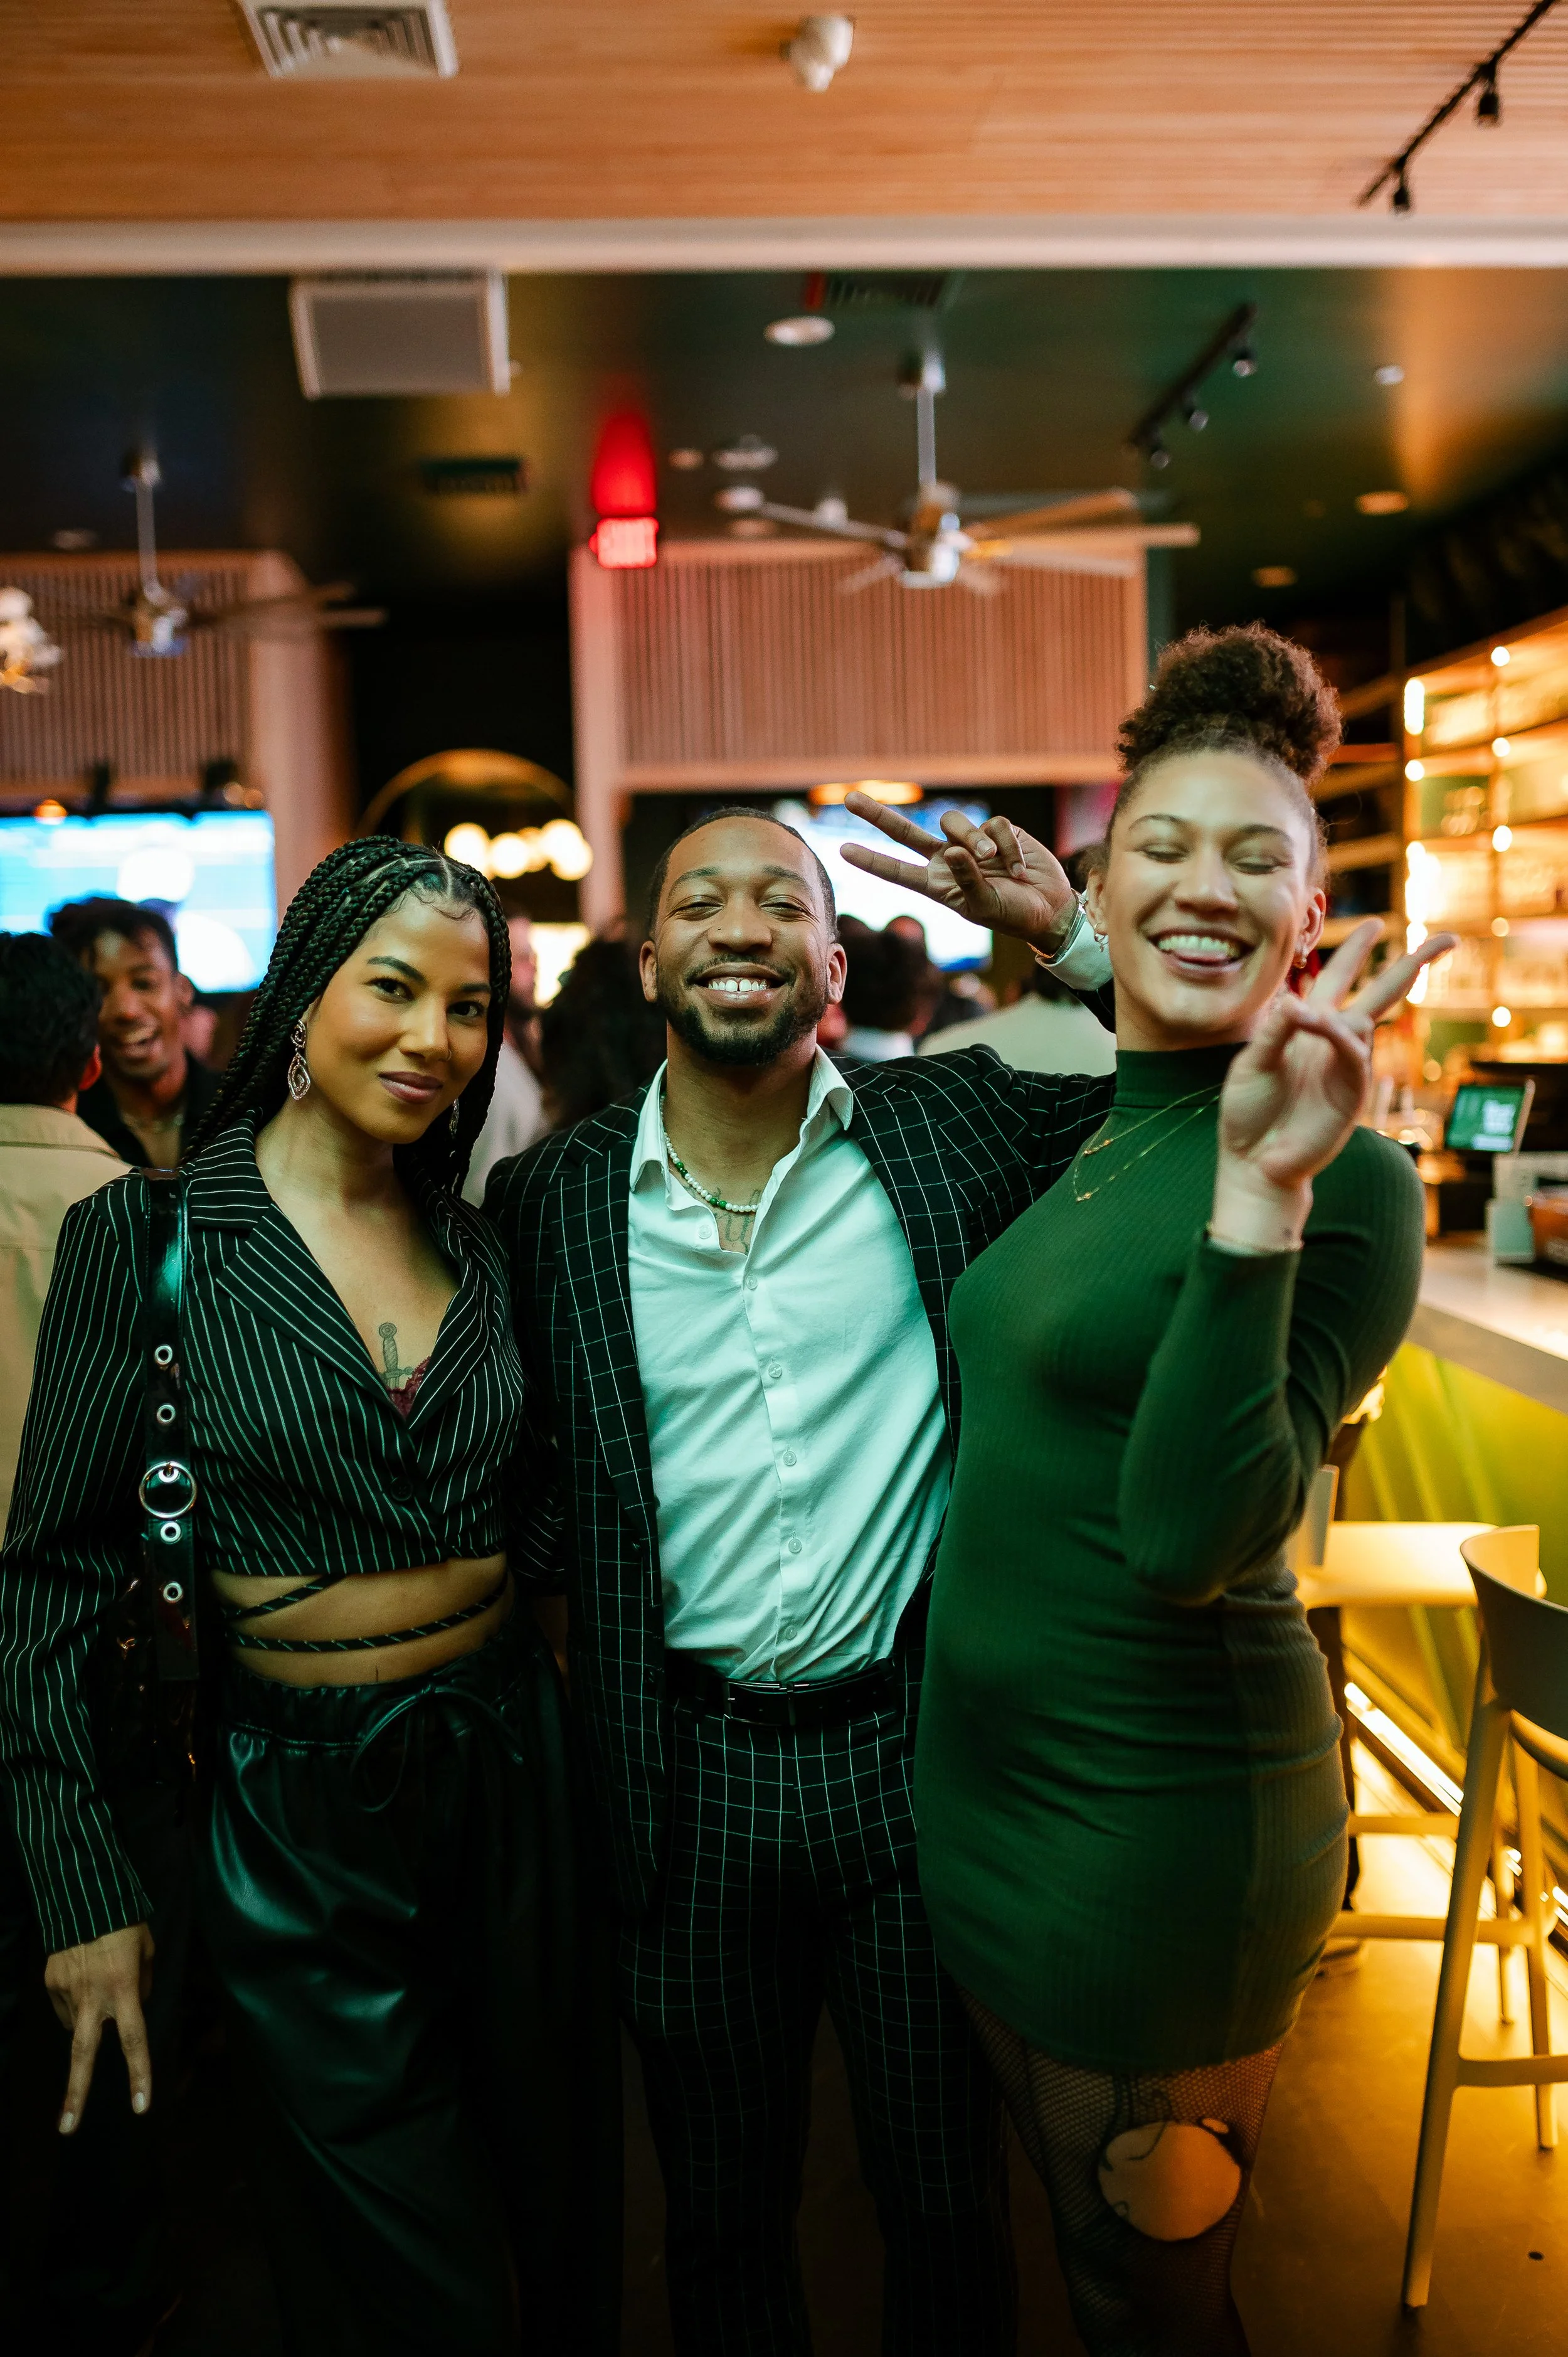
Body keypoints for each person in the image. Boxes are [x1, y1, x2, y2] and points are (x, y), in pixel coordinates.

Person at [847, 625, 1449, 2356]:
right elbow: (1159, 1014)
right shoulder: (1129, 1103)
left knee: (1148, 2299)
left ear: (1311, 923)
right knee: (1073, 2257)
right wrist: (1067, 925)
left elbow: (1191, 1537)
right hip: (988, 1802)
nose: (1204, 888)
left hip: (1156, 1826)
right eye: (1158, 850)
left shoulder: (1340, 1177)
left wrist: (1264, 1187)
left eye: (1256, 859)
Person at [485, 802, 1118, 2357]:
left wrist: (1074, 938)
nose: (744, 923)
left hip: (913, 1765)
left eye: (784, 899)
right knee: (716, 2217)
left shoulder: (951, 1122)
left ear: (833, 961)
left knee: (947, 2202)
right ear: (651, 956)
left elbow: (1216, 1095)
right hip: (681, 1776)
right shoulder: (552, 1199)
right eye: (704, 899)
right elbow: (538, 1467)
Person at [1, 839, 619, 2357]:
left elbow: (542, 1510)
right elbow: (50, 1583)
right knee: (405, 2258)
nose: (432, 1037)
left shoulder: (480, 1240)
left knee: (562, 2203)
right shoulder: (144, 1238)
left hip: (513, 1767)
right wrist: (84, 1889)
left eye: (469, 1007)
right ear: (300, 996)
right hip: (289, 1800)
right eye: (392, 988)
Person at [46, 898, 221, 1169]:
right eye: (98, 992)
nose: (126, 1011)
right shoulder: (66, 1131)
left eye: (144, 983)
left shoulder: (242, 1109)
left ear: (183, 991)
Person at [464, 918, 548, 1206]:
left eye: (534, 957)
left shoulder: (515, 1051)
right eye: (522, 958)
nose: (535, 967)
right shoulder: (482, 1065)